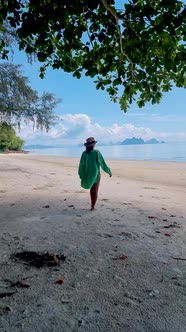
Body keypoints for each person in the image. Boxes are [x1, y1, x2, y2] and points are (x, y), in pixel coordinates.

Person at [78, 137, 112, 211]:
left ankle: (92, 205)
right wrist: (109, 171)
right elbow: (102, 163)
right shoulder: (97, 152)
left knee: (91, 189)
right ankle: (93, 206)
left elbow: (81, 165)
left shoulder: (84, 153)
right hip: (96, 174)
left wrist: (81, 174)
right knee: (95, 190)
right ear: (93, 145)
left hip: (88, 174)